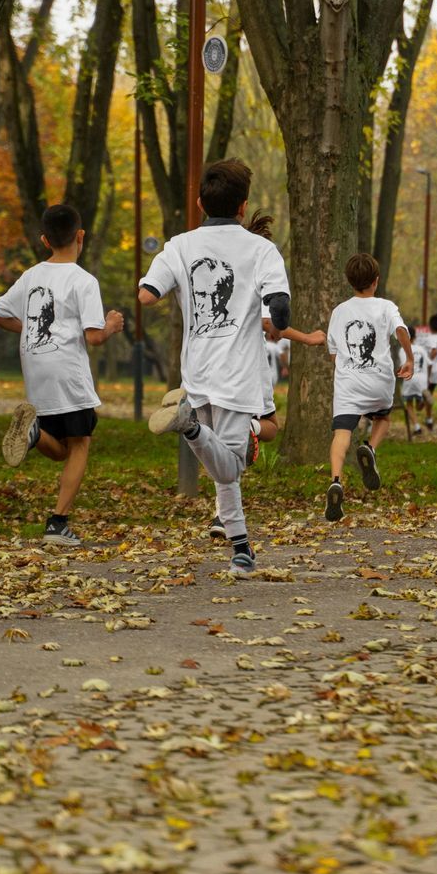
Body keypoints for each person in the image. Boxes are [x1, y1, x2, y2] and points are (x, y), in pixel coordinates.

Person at [141, 160, 291, 575]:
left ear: (199, 202)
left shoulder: (179, 245)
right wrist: (277, 318)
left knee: (222, 473)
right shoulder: (261, 250)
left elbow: (147, 294)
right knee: (231, 465)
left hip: (197, 372)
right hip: (238, 375)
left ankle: (242, 549)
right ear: (243, 207)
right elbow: (279, 306)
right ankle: (188, 425)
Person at [0, 203, 124, 546]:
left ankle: (33, 432)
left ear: (44, 240)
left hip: (36, 368)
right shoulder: (83, 280)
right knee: (80, 443)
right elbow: (93, 337)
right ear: (80, 236)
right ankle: (58, 522)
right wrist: (111, 326)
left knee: (60, 445)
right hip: (67, 370)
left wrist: (30, 331)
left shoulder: (31, 275)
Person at [305, 253, 411, 522]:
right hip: (379, 381)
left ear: (349, 281)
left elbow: (333, 354)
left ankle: (336, 480)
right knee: (383, 418)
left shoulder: (339, 311)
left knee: (341, 433)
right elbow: (401, 332)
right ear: (376, 281)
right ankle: (371, 448)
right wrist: (410, 358)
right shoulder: (386, 307)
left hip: (348, 386)